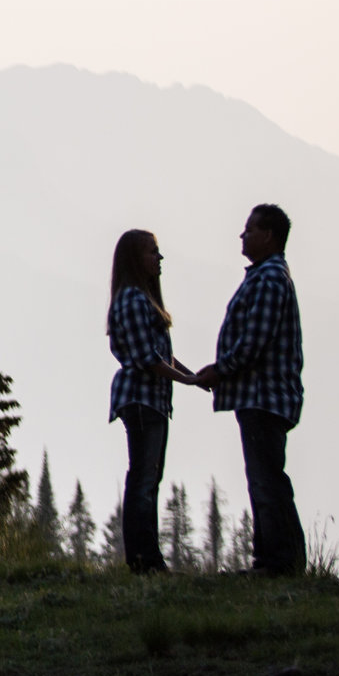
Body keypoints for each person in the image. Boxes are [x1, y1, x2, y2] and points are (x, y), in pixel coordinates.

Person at [193, 204, 304, 575]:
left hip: (264, 397)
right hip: (262, 397)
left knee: (266, 478)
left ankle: (278, 562)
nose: (242, 236)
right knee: (266, 476)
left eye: (249, 230)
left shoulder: (269, 279)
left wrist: (220, 371)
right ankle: (274, 558)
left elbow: (254, 342)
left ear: (268, 235)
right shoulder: (267, 276)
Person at [107, 229, 198, 572]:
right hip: (143, 399)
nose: (158, 259)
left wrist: (192, 377)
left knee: (148, 478)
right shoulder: (133, 300)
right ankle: (144, 559)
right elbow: (148, 358)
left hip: (153, 400)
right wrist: (188, 380)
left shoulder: (140, 298)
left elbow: (161, 356)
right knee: (144, 479)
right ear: (135, 258)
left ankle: (146, 557)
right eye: (152, 252)